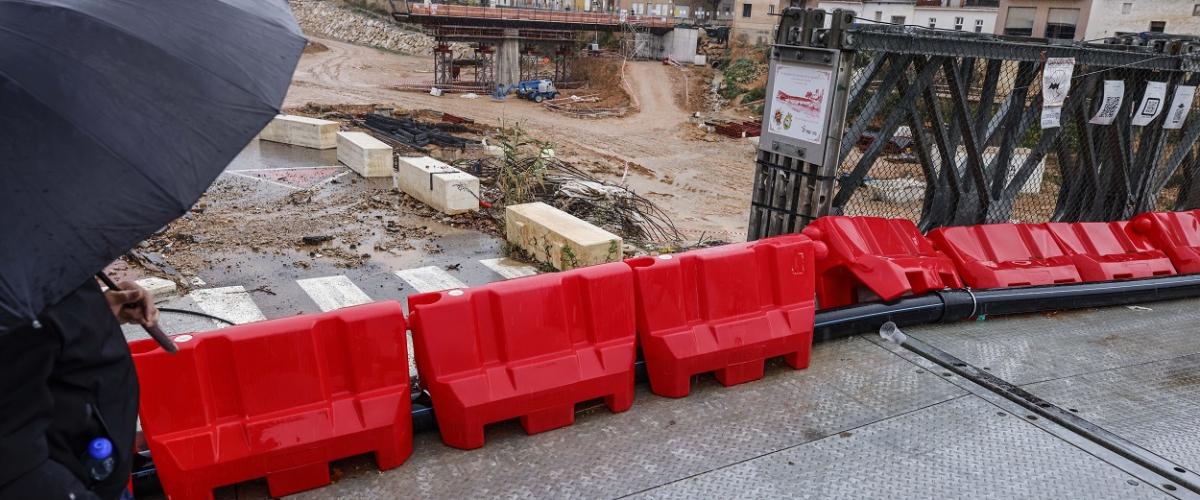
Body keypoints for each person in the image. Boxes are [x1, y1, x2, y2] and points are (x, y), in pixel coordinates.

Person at [0, 277, 158, 500]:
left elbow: (48, 329)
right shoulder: (10, 292)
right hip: (65, 480)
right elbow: (13, 452)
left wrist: (96, 311)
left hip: (100, 467)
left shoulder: (38, 259)